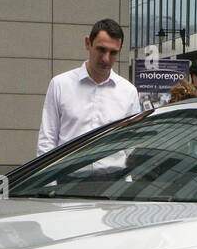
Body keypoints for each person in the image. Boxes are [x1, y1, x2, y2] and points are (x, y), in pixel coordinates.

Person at [37, 18, 140, 156]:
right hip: (67, 175)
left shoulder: (129, 92)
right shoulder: (60, 85)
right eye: (101, 50)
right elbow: (47, 140)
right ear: (87, 43)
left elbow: (131, 144)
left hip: (114, 176)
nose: (106, 58)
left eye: (113, 52)